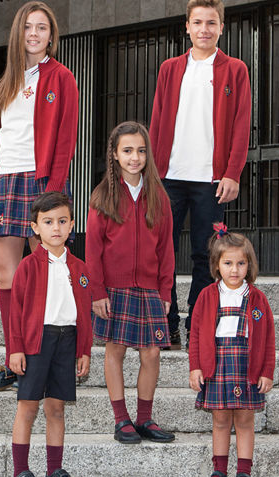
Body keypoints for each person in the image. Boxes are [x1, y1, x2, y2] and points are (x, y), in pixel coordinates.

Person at [0, 1, 78, 391]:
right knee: (6, 273)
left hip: (42, 183)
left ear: (51, 35)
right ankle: (12, 360)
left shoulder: (61, 78)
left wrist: (54, 195)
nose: (34, 34)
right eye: (27, 27)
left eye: (41, 28)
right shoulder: (7, 81)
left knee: (47, 272)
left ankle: (48, 361)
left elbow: (66, 140)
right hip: (6, 182)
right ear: (18, 34)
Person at [150, 0, 251, 349]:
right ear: (187, 27)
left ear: (222, 27)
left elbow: (241, 126)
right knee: (161, 251)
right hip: (169, 176)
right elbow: (158, 120)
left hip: (212, 181)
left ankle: (198, 324)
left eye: (211, 22)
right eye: (198, 22)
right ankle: (167, 325)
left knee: (204, 255)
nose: (204, 29)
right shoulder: (170, 68)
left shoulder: (235, 70)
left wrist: (232, 172)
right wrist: (151, 173)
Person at [86, 121, 175, 444]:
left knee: (152, 352)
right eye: (127, 151)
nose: (134, 157)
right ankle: (121, 419)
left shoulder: (159, 198)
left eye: (140, 151)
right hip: (114, 289)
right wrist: (97, 291)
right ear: (114, 155)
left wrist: (165, 290)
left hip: (150, 288)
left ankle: (145, 419)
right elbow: (93, 251)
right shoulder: (103, 197)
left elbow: (166, 249)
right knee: (116, 350)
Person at [8, 192, 91, 477]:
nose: (56, 227)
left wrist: (84, 350)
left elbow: (83, 314)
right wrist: (15, 349)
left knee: (56, 408)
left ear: (71, 225)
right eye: (48, 222)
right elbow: (14, 311)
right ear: (35, 227)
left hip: (66, 342)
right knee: (28, 406)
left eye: (62, 221)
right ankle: (20, 474)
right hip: (35, 342)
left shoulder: (80, 269)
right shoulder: (28, 266)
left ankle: (54, 471)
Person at [189, 225, 275, 477]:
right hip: (217, 367)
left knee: (245, 420)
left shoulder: (257, 299)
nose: (234, 269)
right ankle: (219, 471)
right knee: (220, 420)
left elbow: (269, 337)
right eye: (228, 263)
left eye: (240, 263)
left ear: (249, 265)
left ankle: (244, 473)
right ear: (217, 265)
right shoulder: (207, 296)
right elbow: (195, 335)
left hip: (247, 367)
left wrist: (267, 371)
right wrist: (195, 367)